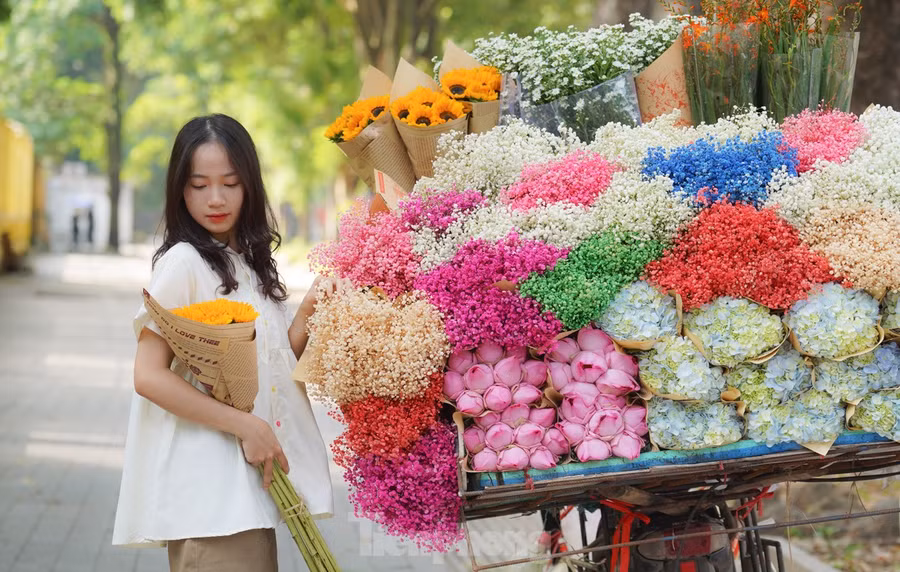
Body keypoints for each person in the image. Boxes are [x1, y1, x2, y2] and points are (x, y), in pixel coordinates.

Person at [112, 114, 334, 572]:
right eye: (199, 185)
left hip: (244, 493)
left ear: (249, 185)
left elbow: (273, 363)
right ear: (179, 190)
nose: (215, 199)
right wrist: (245, 426)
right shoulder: (184, 262)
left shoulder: (247, 262)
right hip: (210, 498)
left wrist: (316, 300)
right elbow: (147, 376)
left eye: (230, 183)